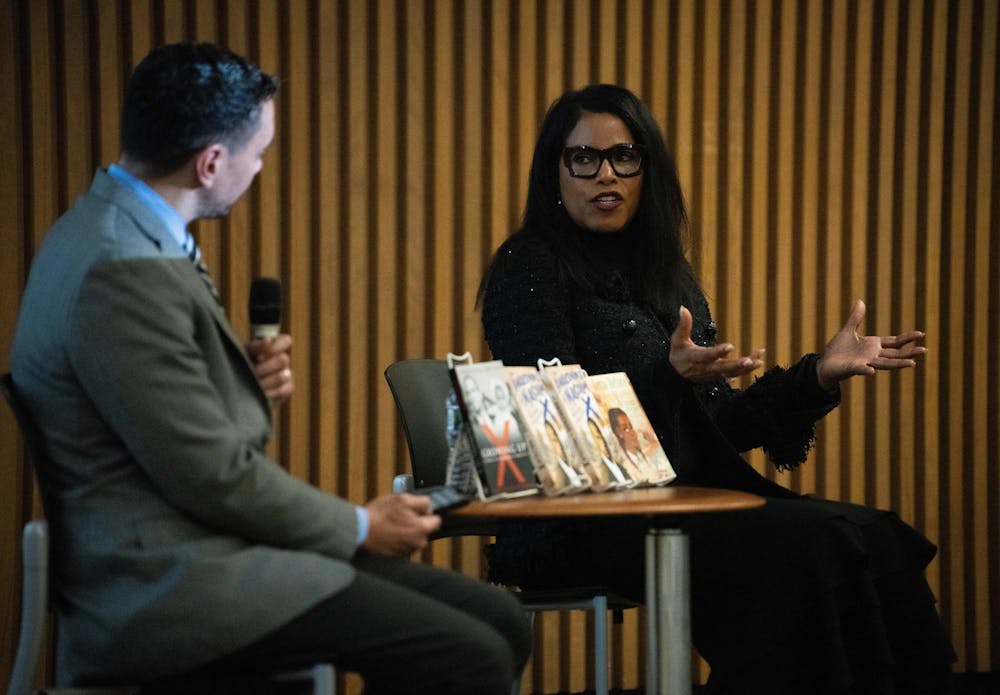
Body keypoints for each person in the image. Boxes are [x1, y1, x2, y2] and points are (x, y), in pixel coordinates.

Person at [10, 42, 530, 695]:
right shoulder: (125, 272)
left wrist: (244, 392)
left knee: (500, 619)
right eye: (258, 153)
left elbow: (162, 434)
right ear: (210, 163)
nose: (259, 168)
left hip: (200, 546)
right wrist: (362, 525)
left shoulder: (102, 228)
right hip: (166, 582)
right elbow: (214, 478)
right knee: (471, 656)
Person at [478, 84, 955, 695]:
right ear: (555, 171)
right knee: (810, 542)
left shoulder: (665, 271)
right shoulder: (528, 266)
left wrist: (816, 376)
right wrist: (666, 377)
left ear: (647, 169)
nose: (606, 174)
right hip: (576, 521)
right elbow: (554, 425)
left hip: (682, 502)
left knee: (870, 533)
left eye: (624, 156)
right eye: (584, 158)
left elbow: (720, 425)